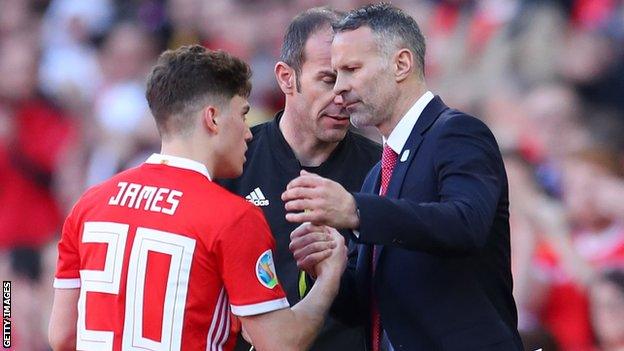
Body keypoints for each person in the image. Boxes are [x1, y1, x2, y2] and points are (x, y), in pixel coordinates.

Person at [48, 45, 346, 351]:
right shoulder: (233, 217)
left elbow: (62, 336)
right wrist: (328, 279)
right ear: (212, 118)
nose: (247, 133)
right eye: (242, 115)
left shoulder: (90, 204)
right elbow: (281, 343)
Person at [283, 3, 524, 350]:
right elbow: (367, 309)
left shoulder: (457, 133)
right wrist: (328, 267)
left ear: (401, 64)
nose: (339, 88)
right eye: (335, 74)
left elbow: (466, 224)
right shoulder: (375, 176)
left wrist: (356, 212)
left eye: (352, 69)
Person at [218, 7, 380, 351]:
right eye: (328, 78)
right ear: (286, 77)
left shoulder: (381, 170)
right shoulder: (234, 162)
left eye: (351, 78)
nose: (343, 95)